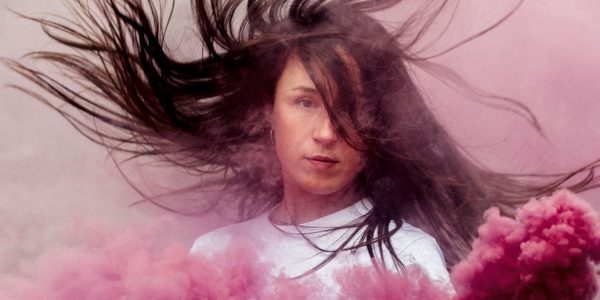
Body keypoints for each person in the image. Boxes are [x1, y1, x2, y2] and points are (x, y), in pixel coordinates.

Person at [7, 0, 599, 295]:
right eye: (307, 102)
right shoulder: (213, 256)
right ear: (268, 114)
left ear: (380, 130)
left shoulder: (409, 259)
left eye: (351, 112)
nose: (327, 134)